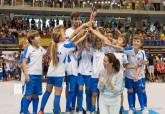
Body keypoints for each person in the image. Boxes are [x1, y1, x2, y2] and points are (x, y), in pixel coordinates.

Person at [38, 21, 92, 114]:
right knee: (57, 95)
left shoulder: (53, 44)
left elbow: (73, 35)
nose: (65, 34)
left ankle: (41, 110)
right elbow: (76, 40)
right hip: (59, 75)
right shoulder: (66, 46)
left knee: (47, 92)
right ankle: (56, 112)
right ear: (60, 36)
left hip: (50, 73)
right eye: (64, 33)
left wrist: (82, 28)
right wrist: (85, 34)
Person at [22, 30, 46, 114]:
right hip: (31, 76)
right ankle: (24, 112)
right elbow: (23, 63)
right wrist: (26, 75)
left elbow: (47, 53)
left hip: (38, 76)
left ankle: (34, 112)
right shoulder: (28, 49)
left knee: (36, 96)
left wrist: (53, 44)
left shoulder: (40, 48)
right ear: (32, 39)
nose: (39, 37)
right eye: (37, 36)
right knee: (28, 96)